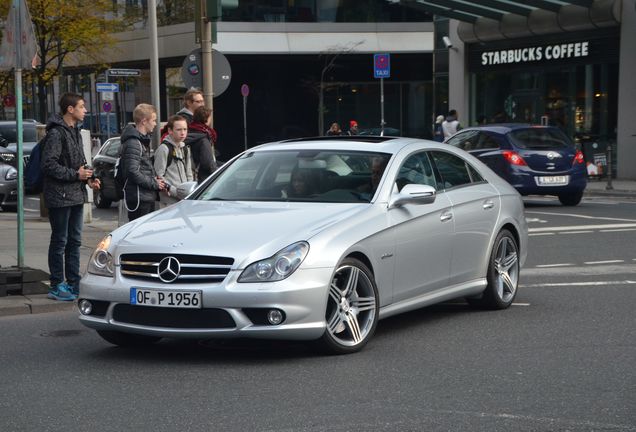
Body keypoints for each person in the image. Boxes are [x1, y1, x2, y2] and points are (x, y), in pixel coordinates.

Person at [41, 93, 101, 301]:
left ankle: (74, 283)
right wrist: (75, 175)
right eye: (82, 107)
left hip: (75, 194)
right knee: (60, 241)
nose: (85, 110)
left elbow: (78, 162)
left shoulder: (74, 131)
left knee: (74, 241)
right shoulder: (57, 133)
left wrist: (89, 178)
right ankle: (57, 284)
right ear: (70, 109)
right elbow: (48, 165)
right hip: (59, 195)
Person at [120, 103, 166, 221]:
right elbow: (132, 171)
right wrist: (153, 183)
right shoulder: (134, 142)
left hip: (144, 196)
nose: (155, 124)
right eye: (154, 120)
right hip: (139, 197)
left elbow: (144, 168)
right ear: (144, 121)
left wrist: (156, 181)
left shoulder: (140, 141)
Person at [155, 115, 193, 207]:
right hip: (169, 201)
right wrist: (177, 193)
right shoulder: (164, 149)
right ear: (170, 131)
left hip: (185, 199)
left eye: (185, 129)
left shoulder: (185, 148)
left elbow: (189, 173)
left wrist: (190, 192)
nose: (183, 133)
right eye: (179, 130)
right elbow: (159, 177)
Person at [186, 106, 218, 183]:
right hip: (203, 178)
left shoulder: (190, 131)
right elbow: (207, 163)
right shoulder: (204, 138)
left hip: (192, 175)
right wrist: (217, 172)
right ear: (206, 119)